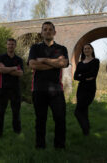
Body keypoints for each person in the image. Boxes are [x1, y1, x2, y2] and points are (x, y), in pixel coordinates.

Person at [28, 21, 69, 149]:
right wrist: (54, 63)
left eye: (50, 29)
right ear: (41, 32)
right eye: (45, 29)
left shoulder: (62, 48)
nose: (47, 31)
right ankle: (40, 146)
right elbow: (33, 65)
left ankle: (59, 147)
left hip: (57, 90)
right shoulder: (35, 48)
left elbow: (64, 63)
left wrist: (44, 60)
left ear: (54, 32)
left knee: (60, 119)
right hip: (39, 89)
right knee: (40, 120)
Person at [0, 38, 24, 138]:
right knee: (0, 113)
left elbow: (20, 73)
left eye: (12, 44)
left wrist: (6, 69)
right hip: (2, 88)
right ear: (6, 45)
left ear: (15, 46)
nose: (10, 46)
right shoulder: (0, 57)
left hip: (15, 89)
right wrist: (14, 68)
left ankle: (17, 132)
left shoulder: (19, 60)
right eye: (9, 44)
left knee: (16, 112)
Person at [74, 43, 100, 136]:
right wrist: (85, 77)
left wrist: (82, 75)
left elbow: (93, 75)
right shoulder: (80, 63)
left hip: (90, 89)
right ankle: (86, 132)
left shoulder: (96, 61)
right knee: (83, 110)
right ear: (83, 51)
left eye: (88, 48)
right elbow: (75, 76)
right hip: (80, 89)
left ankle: (86, 128)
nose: (86, 50)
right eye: (85, 48)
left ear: (92, 50)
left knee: (77, 111)